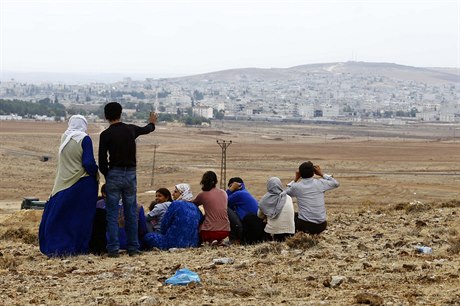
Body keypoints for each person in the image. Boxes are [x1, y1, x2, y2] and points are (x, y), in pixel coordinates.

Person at [98, 102, 158, 257]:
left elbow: (102, 161)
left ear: (106, 116)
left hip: (114, 174)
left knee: (111, 214)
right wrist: (152, 122)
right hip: (130, 174)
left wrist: (108, 175)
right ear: (121, 113)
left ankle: (113, 249)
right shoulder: (130, 129)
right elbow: (147, 129)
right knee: (130, 211)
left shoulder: (105, 135)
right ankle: (133, 248)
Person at [39, 115, 98, 257]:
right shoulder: (84, 139)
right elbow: (88, 163)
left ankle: (55, 247)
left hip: (63, 183)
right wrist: (97, 172)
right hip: (82, 183)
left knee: (60, 215)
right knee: (80, 218)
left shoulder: (65, 137)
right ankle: (76, 247)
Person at [286, 161, 339, 235]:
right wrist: (321, 174)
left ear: (300, 174)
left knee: (289, 216)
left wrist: (295, 179)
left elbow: (284, 194)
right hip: (322, 225)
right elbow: (336, 183)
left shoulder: (296, 187)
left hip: (305, 225)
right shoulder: (320, 183)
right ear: (314, 173)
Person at [193, 171, 230, 244]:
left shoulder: (203, 195)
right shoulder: (223, 192)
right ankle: (219, 240)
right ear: (216, 181)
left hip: (209, 231)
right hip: (226, 231)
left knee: (199, 225)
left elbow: (193, 203)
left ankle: (211, 240)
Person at [258, 177, 295, 242]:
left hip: (273, 232)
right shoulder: (288, 197)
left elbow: (259, 216)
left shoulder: (265, 200)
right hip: (290, 231)